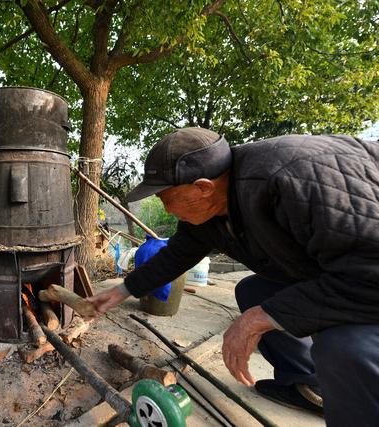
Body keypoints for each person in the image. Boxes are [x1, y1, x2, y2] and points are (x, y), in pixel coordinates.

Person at [87, 127, 379, 425]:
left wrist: (259, 319)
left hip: (368, 276)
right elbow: (178, 253)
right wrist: (123, 290)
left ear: (202, 187)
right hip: (346, 268)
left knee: (343, 349)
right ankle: (305, 384)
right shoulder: (215, 204)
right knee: (254, 293)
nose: (166, 209)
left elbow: (368, 275)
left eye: (165, 197)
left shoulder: (295, 179)